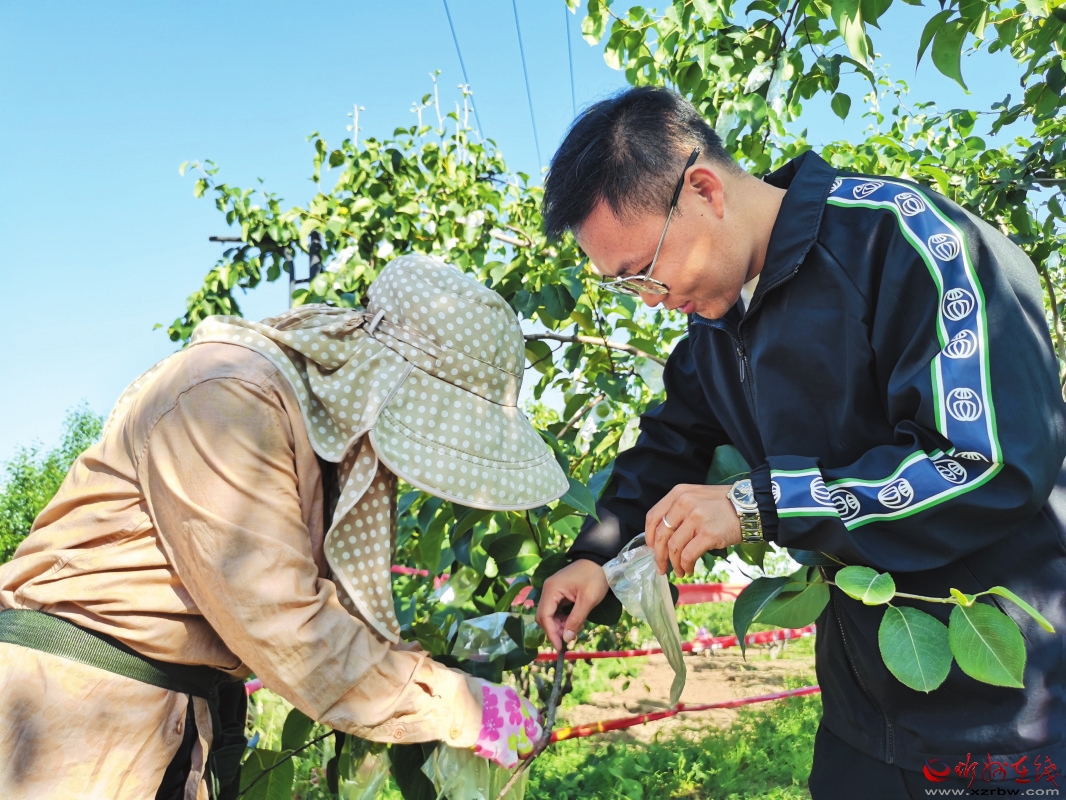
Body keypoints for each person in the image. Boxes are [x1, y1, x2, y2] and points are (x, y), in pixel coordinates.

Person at [534, 86, 1066, 798]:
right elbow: (670, 442)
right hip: (862, 720)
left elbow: (988, 462)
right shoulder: (716, 326)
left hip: (1012, 717)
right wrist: (595, 557)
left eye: (645, 270)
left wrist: (761, 503)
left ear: (703, 190)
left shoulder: (908, 242)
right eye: (627, 287)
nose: (652, 298)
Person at [0, 254, 567, 800]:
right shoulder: (228, 399)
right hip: (75, 720)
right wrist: (458, 706)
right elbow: (287, 624)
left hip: (163, 716)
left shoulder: (310, 426)